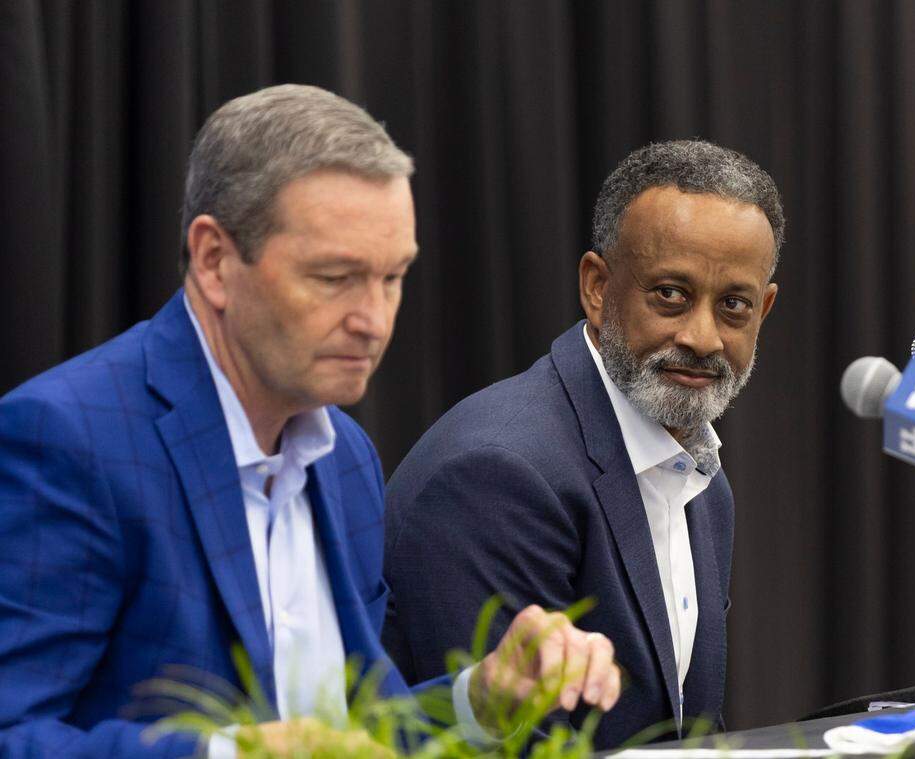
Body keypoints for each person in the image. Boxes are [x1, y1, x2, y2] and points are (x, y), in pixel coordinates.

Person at [0, 84, 620, 758]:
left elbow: (353, 734)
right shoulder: (69, 439)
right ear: (214, 261)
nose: (373, 320)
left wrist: (483, 698)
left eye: (392, 277)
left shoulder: (344, 456)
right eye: (334, 277)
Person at [382, 140, 785, 748]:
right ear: (597, 287)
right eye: (670, 294)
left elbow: (689, 736)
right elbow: (510, 747)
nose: (703, 338)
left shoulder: (700, 475)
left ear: (764, 310)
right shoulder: (499, 474)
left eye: (734, 305)